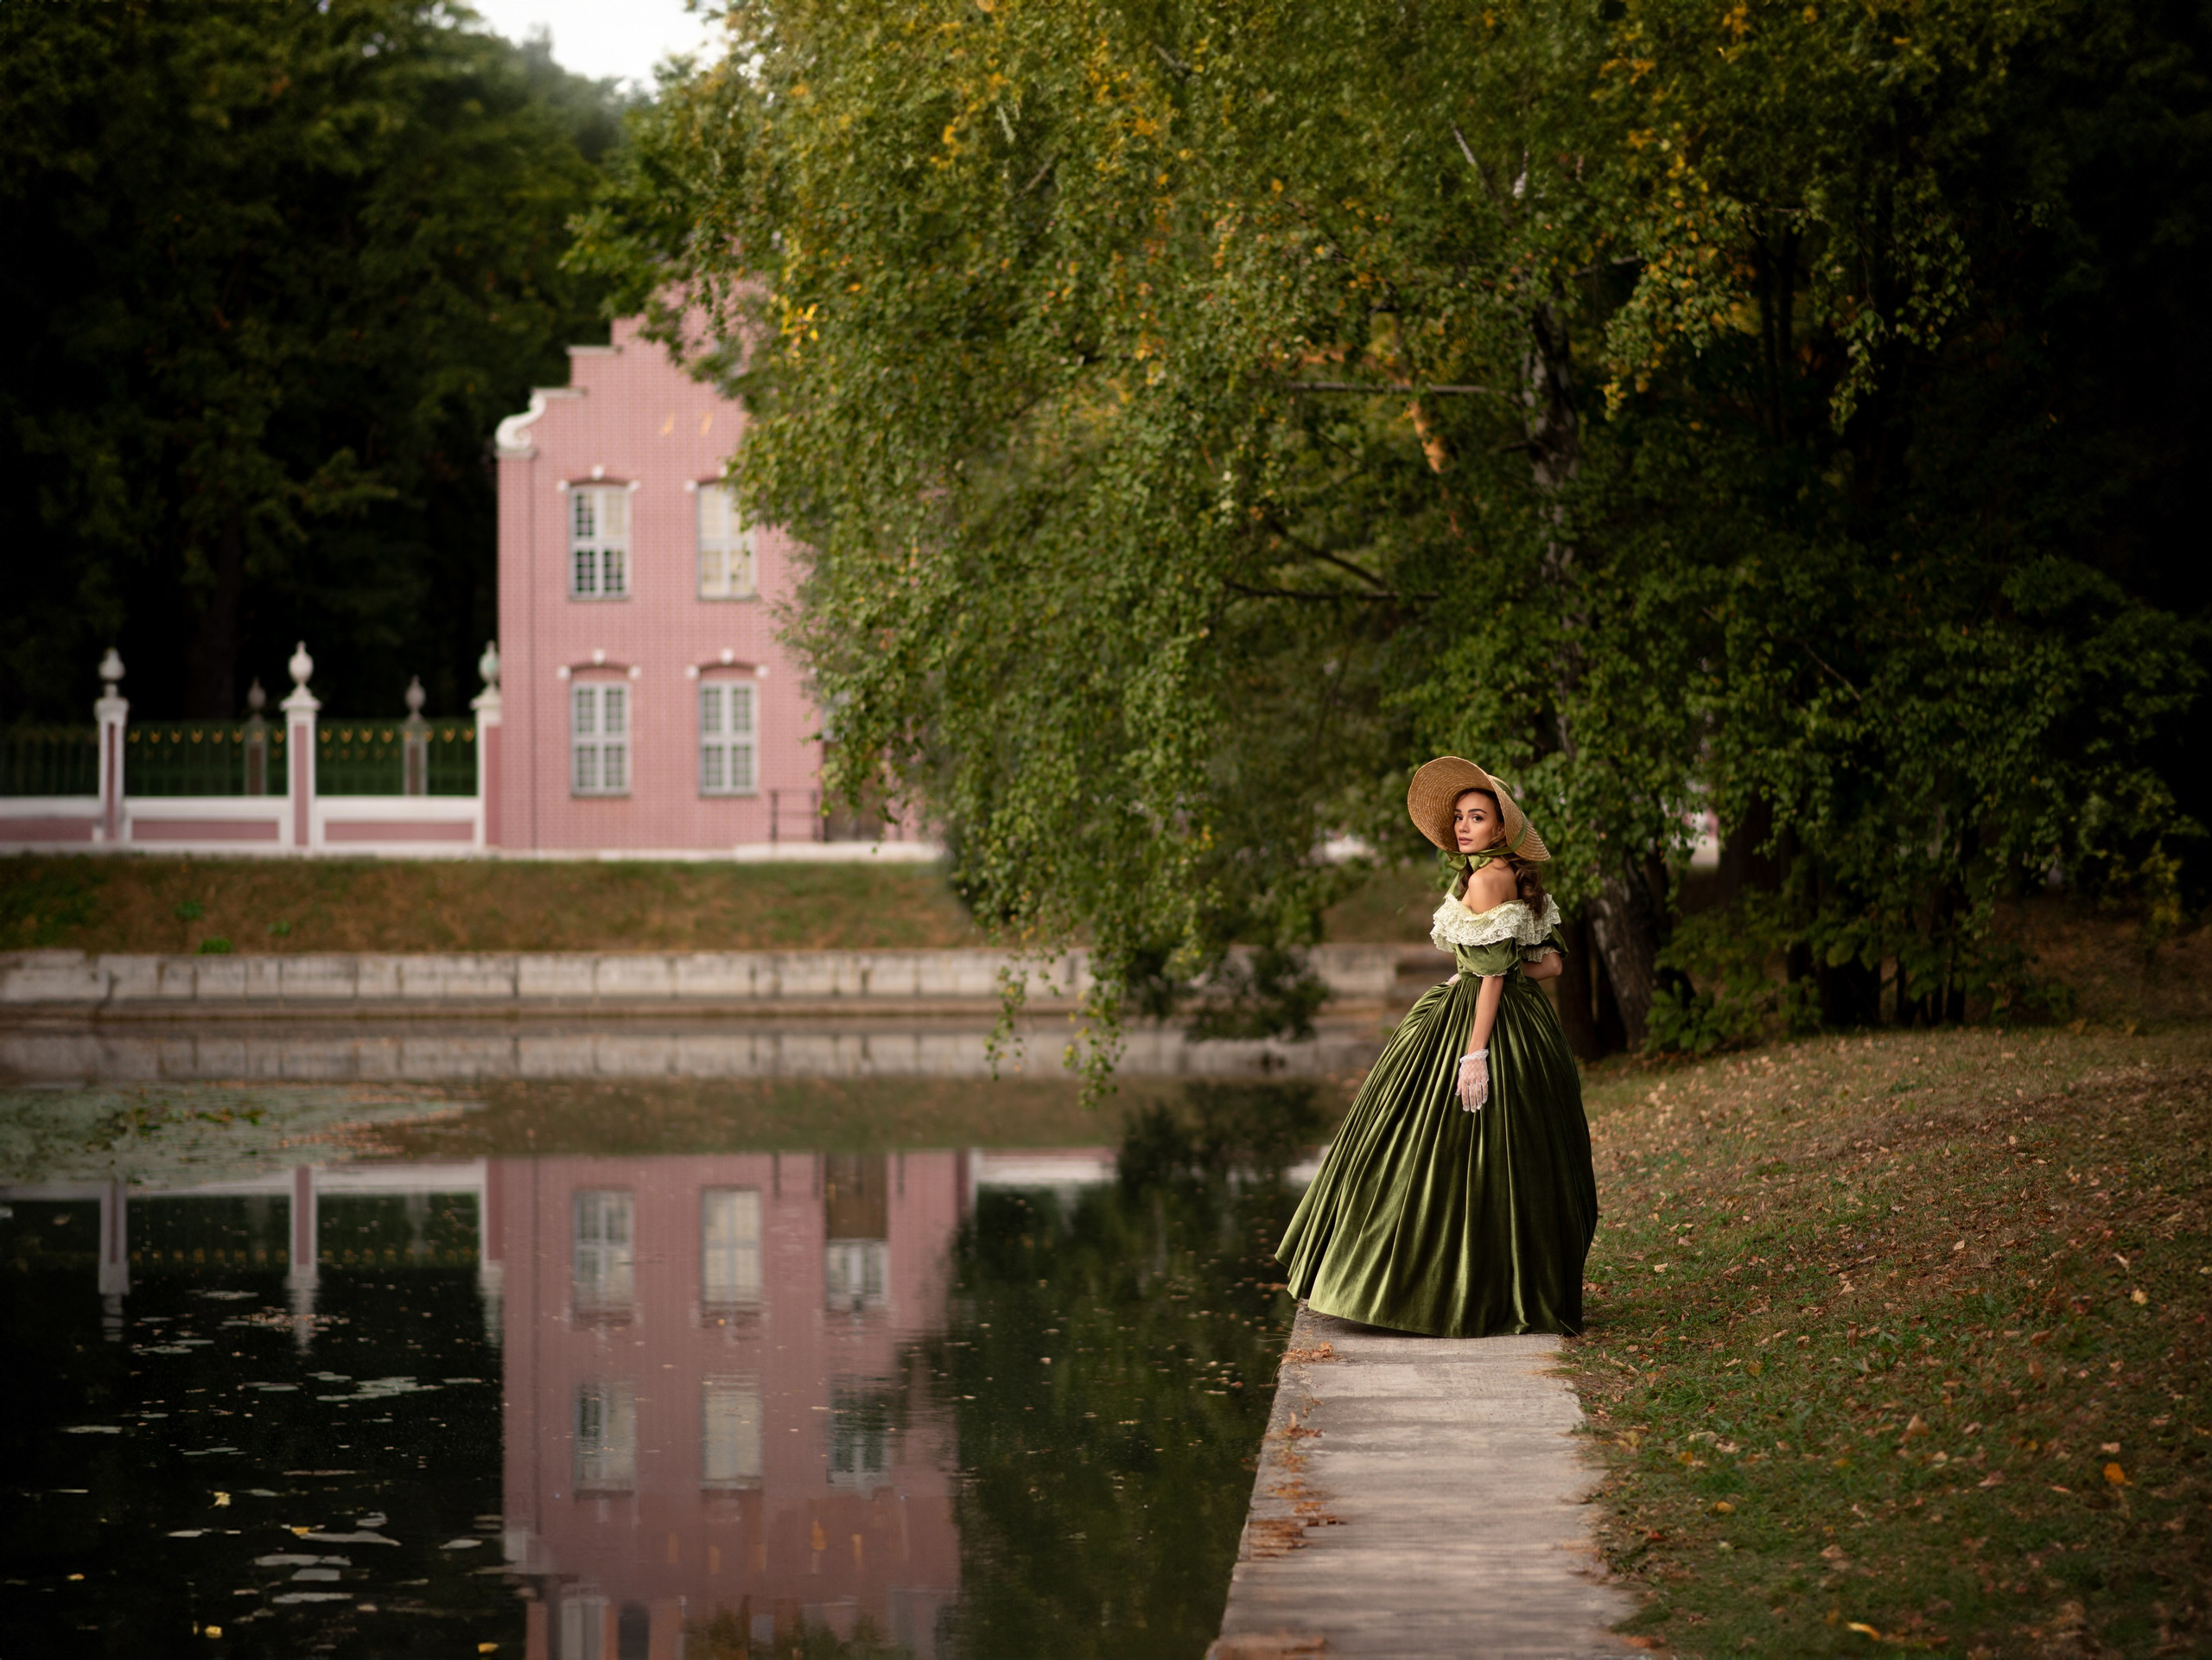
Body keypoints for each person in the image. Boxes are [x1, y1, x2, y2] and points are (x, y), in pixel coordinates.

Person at [1277, 756, 1599, 1337]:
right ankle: (1511, 1284)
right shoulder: (1514, 878)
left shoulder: (1484, 879)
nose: (1463, 826)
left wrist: (1475, 1052)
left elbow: (1495, 975)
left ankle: (1424, 1288)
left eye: (1477, 816)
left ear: (1502, 828)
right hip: (1530, 1029)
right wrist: (1486, 967)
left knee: (1426, 1147)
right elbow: (1548, 961)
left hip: (1484, 1022)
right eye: (1458, 817)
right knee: (1516, 1154)